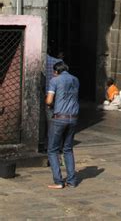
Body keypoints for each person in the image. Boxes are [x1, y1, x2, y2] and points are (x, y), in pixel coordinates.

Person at [46, 61, 79, 189]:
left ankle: (59, 181)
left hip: (59, 118)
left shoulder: (55, 81)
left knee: (53, 150)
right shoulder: (76, 80)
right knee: (68, 149)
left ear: (56, 71)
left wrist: (49, 104)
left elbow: (49, 100)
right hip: (73, 118)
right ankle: (71, 181)